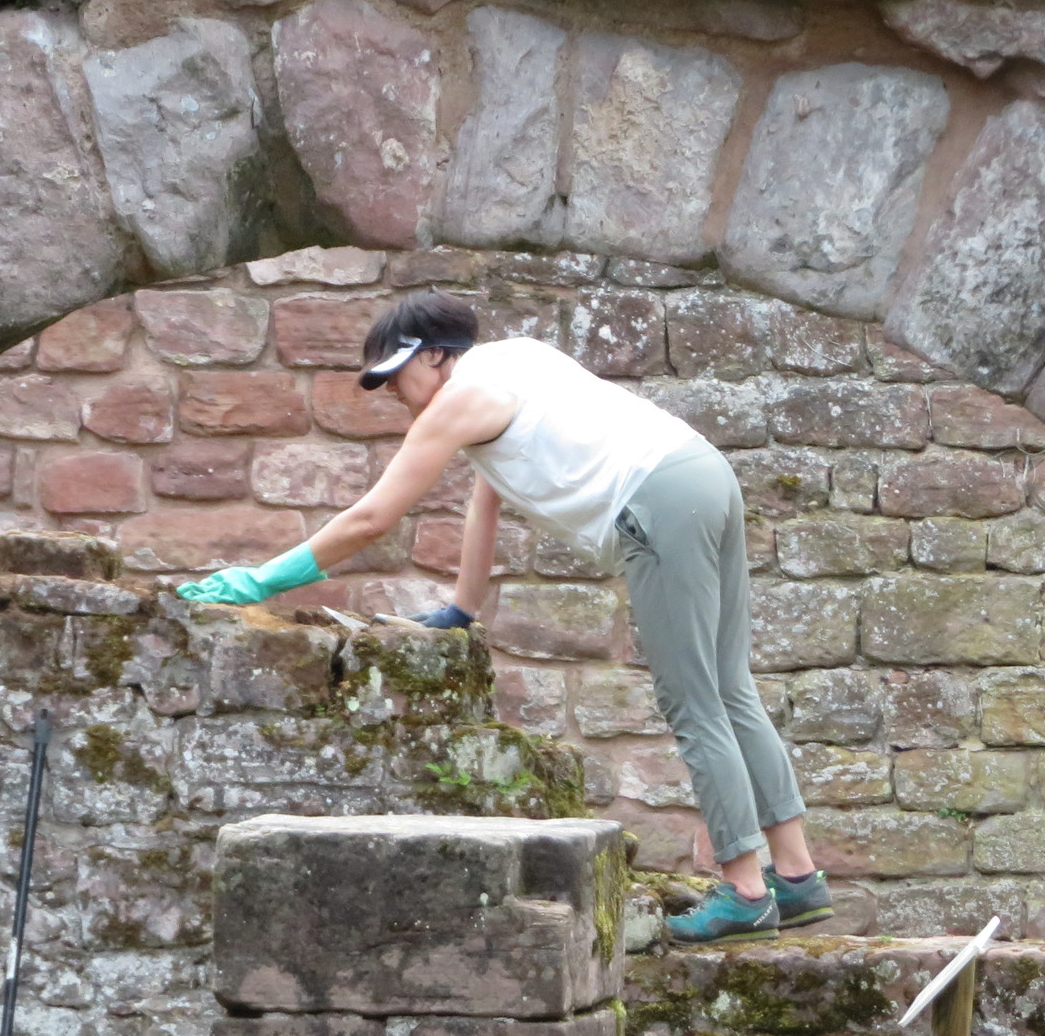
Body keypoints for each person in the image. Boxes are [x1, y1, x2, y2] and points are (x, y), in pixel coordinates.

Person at [179, 289, 825, 942]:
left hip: (659, 503)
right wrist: (462, 608)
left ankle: (746, 890)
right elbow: (486, 499)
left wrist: (261, 580)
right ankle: (797, 878)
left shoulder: (457, 401)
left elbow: (373, 517)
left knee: (694, 701)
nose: (394, 393)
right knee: (731, 688)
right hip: (704, 475)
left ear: (434, 356)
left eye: (396, 375)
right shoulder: (514, 361)